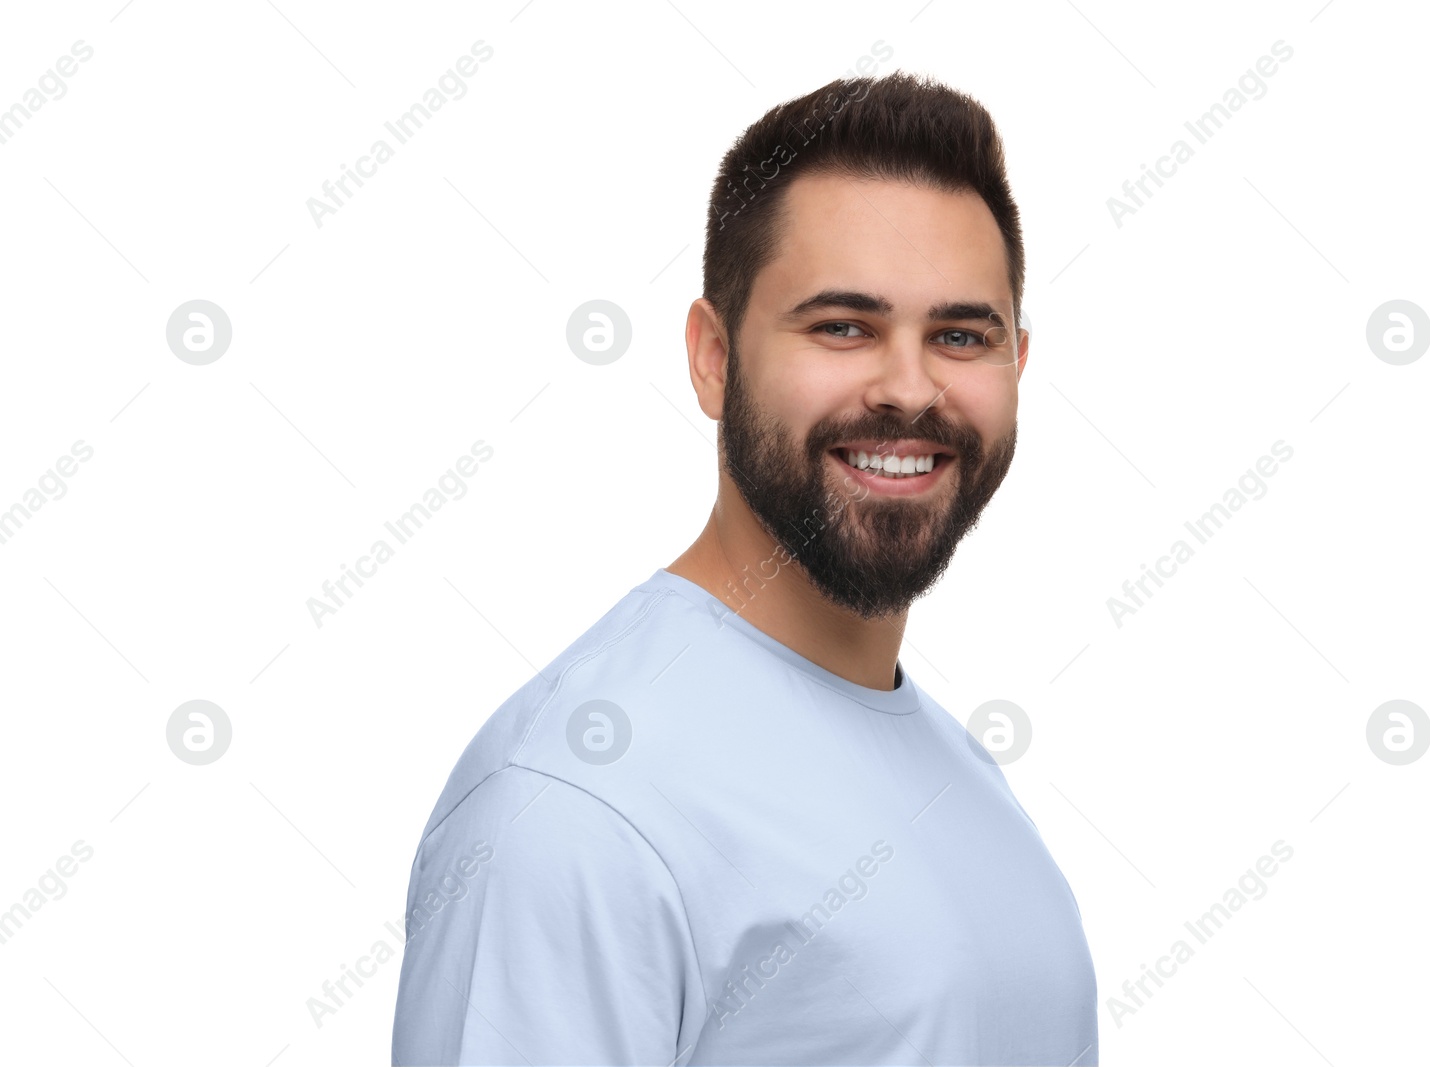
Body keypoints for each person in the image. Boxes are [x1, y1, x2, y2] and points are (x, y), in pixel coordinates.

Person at [393, 69, 1097, 1066]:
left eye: (959, 335)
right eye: (842, 326)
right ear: (713, 358)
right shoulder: (579, 799)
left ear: (1015, 364)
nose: (908, 387)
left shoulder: (960, 776)